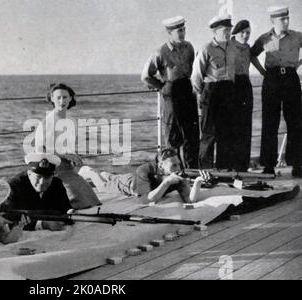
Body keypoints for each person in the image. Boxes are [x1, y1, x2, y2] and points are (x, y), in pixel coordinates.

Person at [250, 5, 302, 177]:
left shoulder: (297, 36)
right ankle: (269, 165)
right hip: (271, 80)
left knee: (295, 122)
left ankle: (297, 164)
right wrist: (262, 72)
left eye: (287, 18)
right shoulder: (264, 38)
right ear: (273, 21)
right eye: (282, 19)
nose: (286, 21)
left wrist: (297, 64)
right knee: (269, 123)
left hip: (291, 79)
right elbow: (252, 54)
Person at [141, 16, 200, 168]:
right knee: (173, 136)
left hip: (187, 91)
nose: (182, 33)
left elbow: (193, 70)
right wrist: (162, 87)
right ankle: (173, 171)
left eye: (184, 30)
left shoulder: (189, 48)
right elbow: (146, 76)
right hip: (171, 94)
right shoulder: (161, 51)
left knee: (191, 135)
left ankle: (191, 170)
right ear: (169, 32)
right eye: (179, 31)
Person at [34, 83, 101, 209]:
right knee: (79, 202)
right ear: (52, 99)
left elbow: (67, 146)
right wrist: (66, 156)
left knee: (92, 201)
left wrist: (73, 157)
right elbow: (44, 150)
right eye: (58, 97)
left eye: (65, 97)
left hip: (65, 167)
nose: (62, 101)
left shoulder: (71, 121)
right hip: (49, 168)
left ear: (70, 98)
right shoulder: (48, 122)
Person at [79, 148, 210, 204]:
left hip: (139, 181)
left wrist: (198, 182)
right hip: (130, 184)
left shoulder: (177, 174)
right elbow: (145, 200)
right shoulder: (145, 169)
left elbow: (189, 200)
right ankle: (90, 171)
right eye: (173, 165)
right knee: (103, 186)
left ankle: (106, 174)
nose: (178, 168)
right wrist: (167, 183)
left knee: (111, 177)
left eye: (178, 164)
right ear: (160, 166)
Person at [191, 14, 237, 170]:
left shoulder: (232, 47)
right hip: (211, 91)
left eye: (229, 29)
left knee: (226, 133)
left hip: (229, 91)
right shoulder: (206, 48)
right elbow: (196, 76)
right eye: (225, 30)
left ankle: (224, 169)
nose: (228, 32)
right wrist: (201, 96)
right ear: (215, 31)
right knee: (209, 134)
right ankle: (206, 170)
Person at [1, 152, 73, 231]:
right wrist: (42, 224)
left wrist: (70, 213)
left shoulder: (57, 184)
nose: (42, 182)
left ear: (53, 176)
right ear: (29, 174)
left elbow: (65, 210)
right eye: (38, 177)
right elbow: (8, 219)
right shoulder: (13, 187)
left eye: (47, 177)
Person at [231, 20, 254, 171]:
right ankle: (232, 165)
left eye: (248, 33)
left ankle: (243, 165)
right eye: (242, 33)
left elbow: (254, 59)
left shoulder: (248, 48)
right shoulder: (228, 45)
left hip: (245, 84)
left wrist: (264, 72)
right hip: (231, 86)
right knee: (232, 126)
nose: (245, 36)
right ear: (235, 33)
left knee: (246, 126)